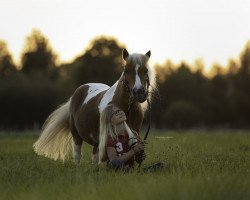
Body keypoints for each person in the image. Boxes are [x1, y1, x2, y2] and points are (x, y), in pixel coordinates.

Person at [98, 104, 146, 170]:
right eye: (115, 113)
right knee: (114, 164)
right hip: (118, 169)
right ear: (110, 122)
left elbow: (137, 161)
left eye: (119, 110)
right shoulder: (110, 138)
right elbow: (114, 162)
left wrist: (140, 154)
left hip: (131, 170)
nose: (120, 112)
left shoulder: (133, 134)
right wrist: (134, 151)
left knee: (161, 165)